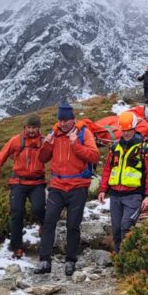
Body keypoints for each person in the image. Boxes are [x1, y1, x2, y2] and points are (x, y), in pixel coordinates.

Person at [35, 102, 99, 276]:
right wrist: (46, 145)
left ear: (73, 119)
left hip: (78, 186)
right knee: (49, 222)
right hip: (57, 186)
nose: (63, 123)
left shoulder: (84, 134)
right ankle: (44, 261)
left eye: (66, 120)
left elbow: (94, 155)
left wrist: (75, 144)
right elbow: (42, 159)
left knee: (73, 225)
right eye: (60, 120)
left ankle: (70, 261)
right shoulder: (53, 135)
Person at [0, 114, 46, 259]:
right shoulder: (16, 140)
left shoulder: (45, 141)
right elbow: (1, 156)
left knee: (39, 209)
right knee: (17, 213)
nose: (32, 130)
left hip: (37, 182)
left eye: (34, 128)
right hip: (18, 183)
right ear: (25, 127)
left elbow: (56, 158)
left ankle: (44, 227)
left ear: (39, 128)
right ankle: (16, 246)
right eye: (29, 127)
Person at [97, 111, 148, 252]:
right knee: (117, 231)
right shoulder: (115, 148)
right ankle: (120, 260)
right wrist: (102, 190)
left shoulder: (144, 149)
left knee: (126, 227)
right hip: (115, 195)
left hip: (134, 195)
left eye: (129, 130)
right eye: (124, 130)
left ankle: (128, 259)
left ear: (134, 128)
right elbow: (107, 169)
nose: (126, 133)